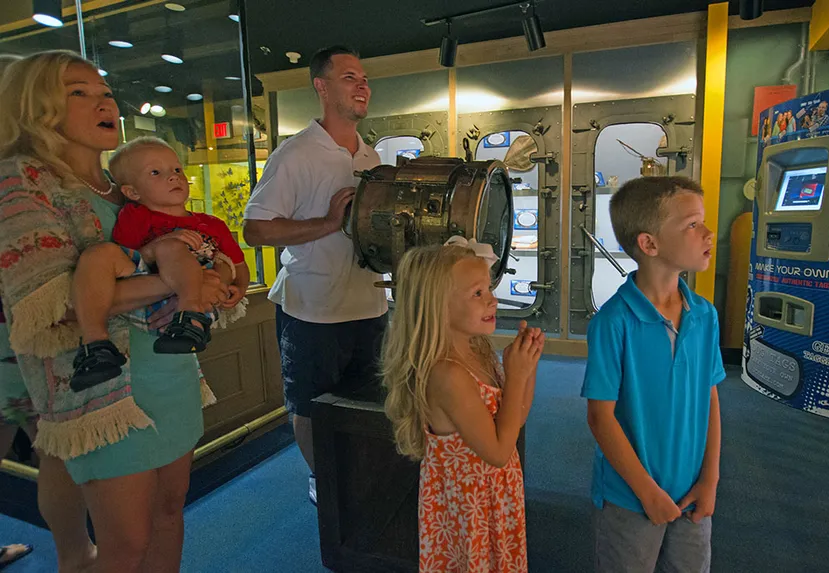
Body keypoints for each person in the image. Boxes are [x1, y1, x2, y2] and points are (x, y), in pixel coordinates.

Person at [0, 50, 228, 573]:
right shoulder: (23, 182)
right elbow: (50, 306)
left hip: (171, 372)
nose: (103, 101)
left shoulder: (121, 186)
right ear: (36, 105)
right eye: (78, 91)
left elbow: (187, 254)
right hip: (102, 392)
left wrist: (210, 276)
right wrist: (177, 280)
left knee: (170, 513)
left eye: (104, 91)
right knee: (124, 545)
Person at [243, 45, 387, 505]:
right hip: (312, 310)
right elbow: (255, 229)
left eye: (363, 77)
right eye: (349, 77)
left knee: (367, 398)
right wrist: (326, 224)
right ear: (321, 87)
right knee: (310, 403)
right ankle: (322, 477)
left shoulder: (374, 158)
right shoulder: (295, 154)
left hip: (369, 303)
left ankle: (357, 473)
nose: (362, 85)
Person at [583, 176, 725, 573]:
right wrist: (647, 494)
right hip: (629, 498)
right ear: (649, 244)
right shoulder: (613, 322)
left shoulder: (705, 315)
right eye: (693, 224)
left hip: (692, 493)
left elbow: (709, 397)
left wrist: (710, 479)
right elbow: (600, 417)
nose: (708, 233)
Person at [382, 242, 544, 572]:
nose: (492, 300)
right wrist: (517, 376)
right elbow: (498, 452)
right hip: (469, 509)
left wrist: (527, 369)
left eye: (489, 289)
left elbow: (512, 423)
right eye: (477, 293)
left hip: (495, 497)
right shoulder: (447, 375)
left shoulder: (479, 352)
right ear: (438, 306)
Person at [0, 52, 98, 573]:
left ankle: (75, 554)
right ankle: (75, 555)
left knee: (53, 451)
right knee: (55, 449)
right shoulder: (21, 176)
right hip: (29, 339)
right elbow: (50, 290)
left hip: (21, 336)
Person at [69, 137, 249, 389]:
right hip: (145, 290)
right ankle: (96, 345)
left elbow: (237, 264)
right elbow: (127, 257)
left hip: (194, 299)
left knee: (170, 246)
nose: (174, 177)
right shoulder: (133, 216)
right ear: (132, 192)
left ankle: (190, 317)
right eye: (156, 172)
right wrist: (153, 249)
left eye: (177, 170)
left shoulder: (212, 224)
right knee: (98, 254)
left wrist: (239, 289)